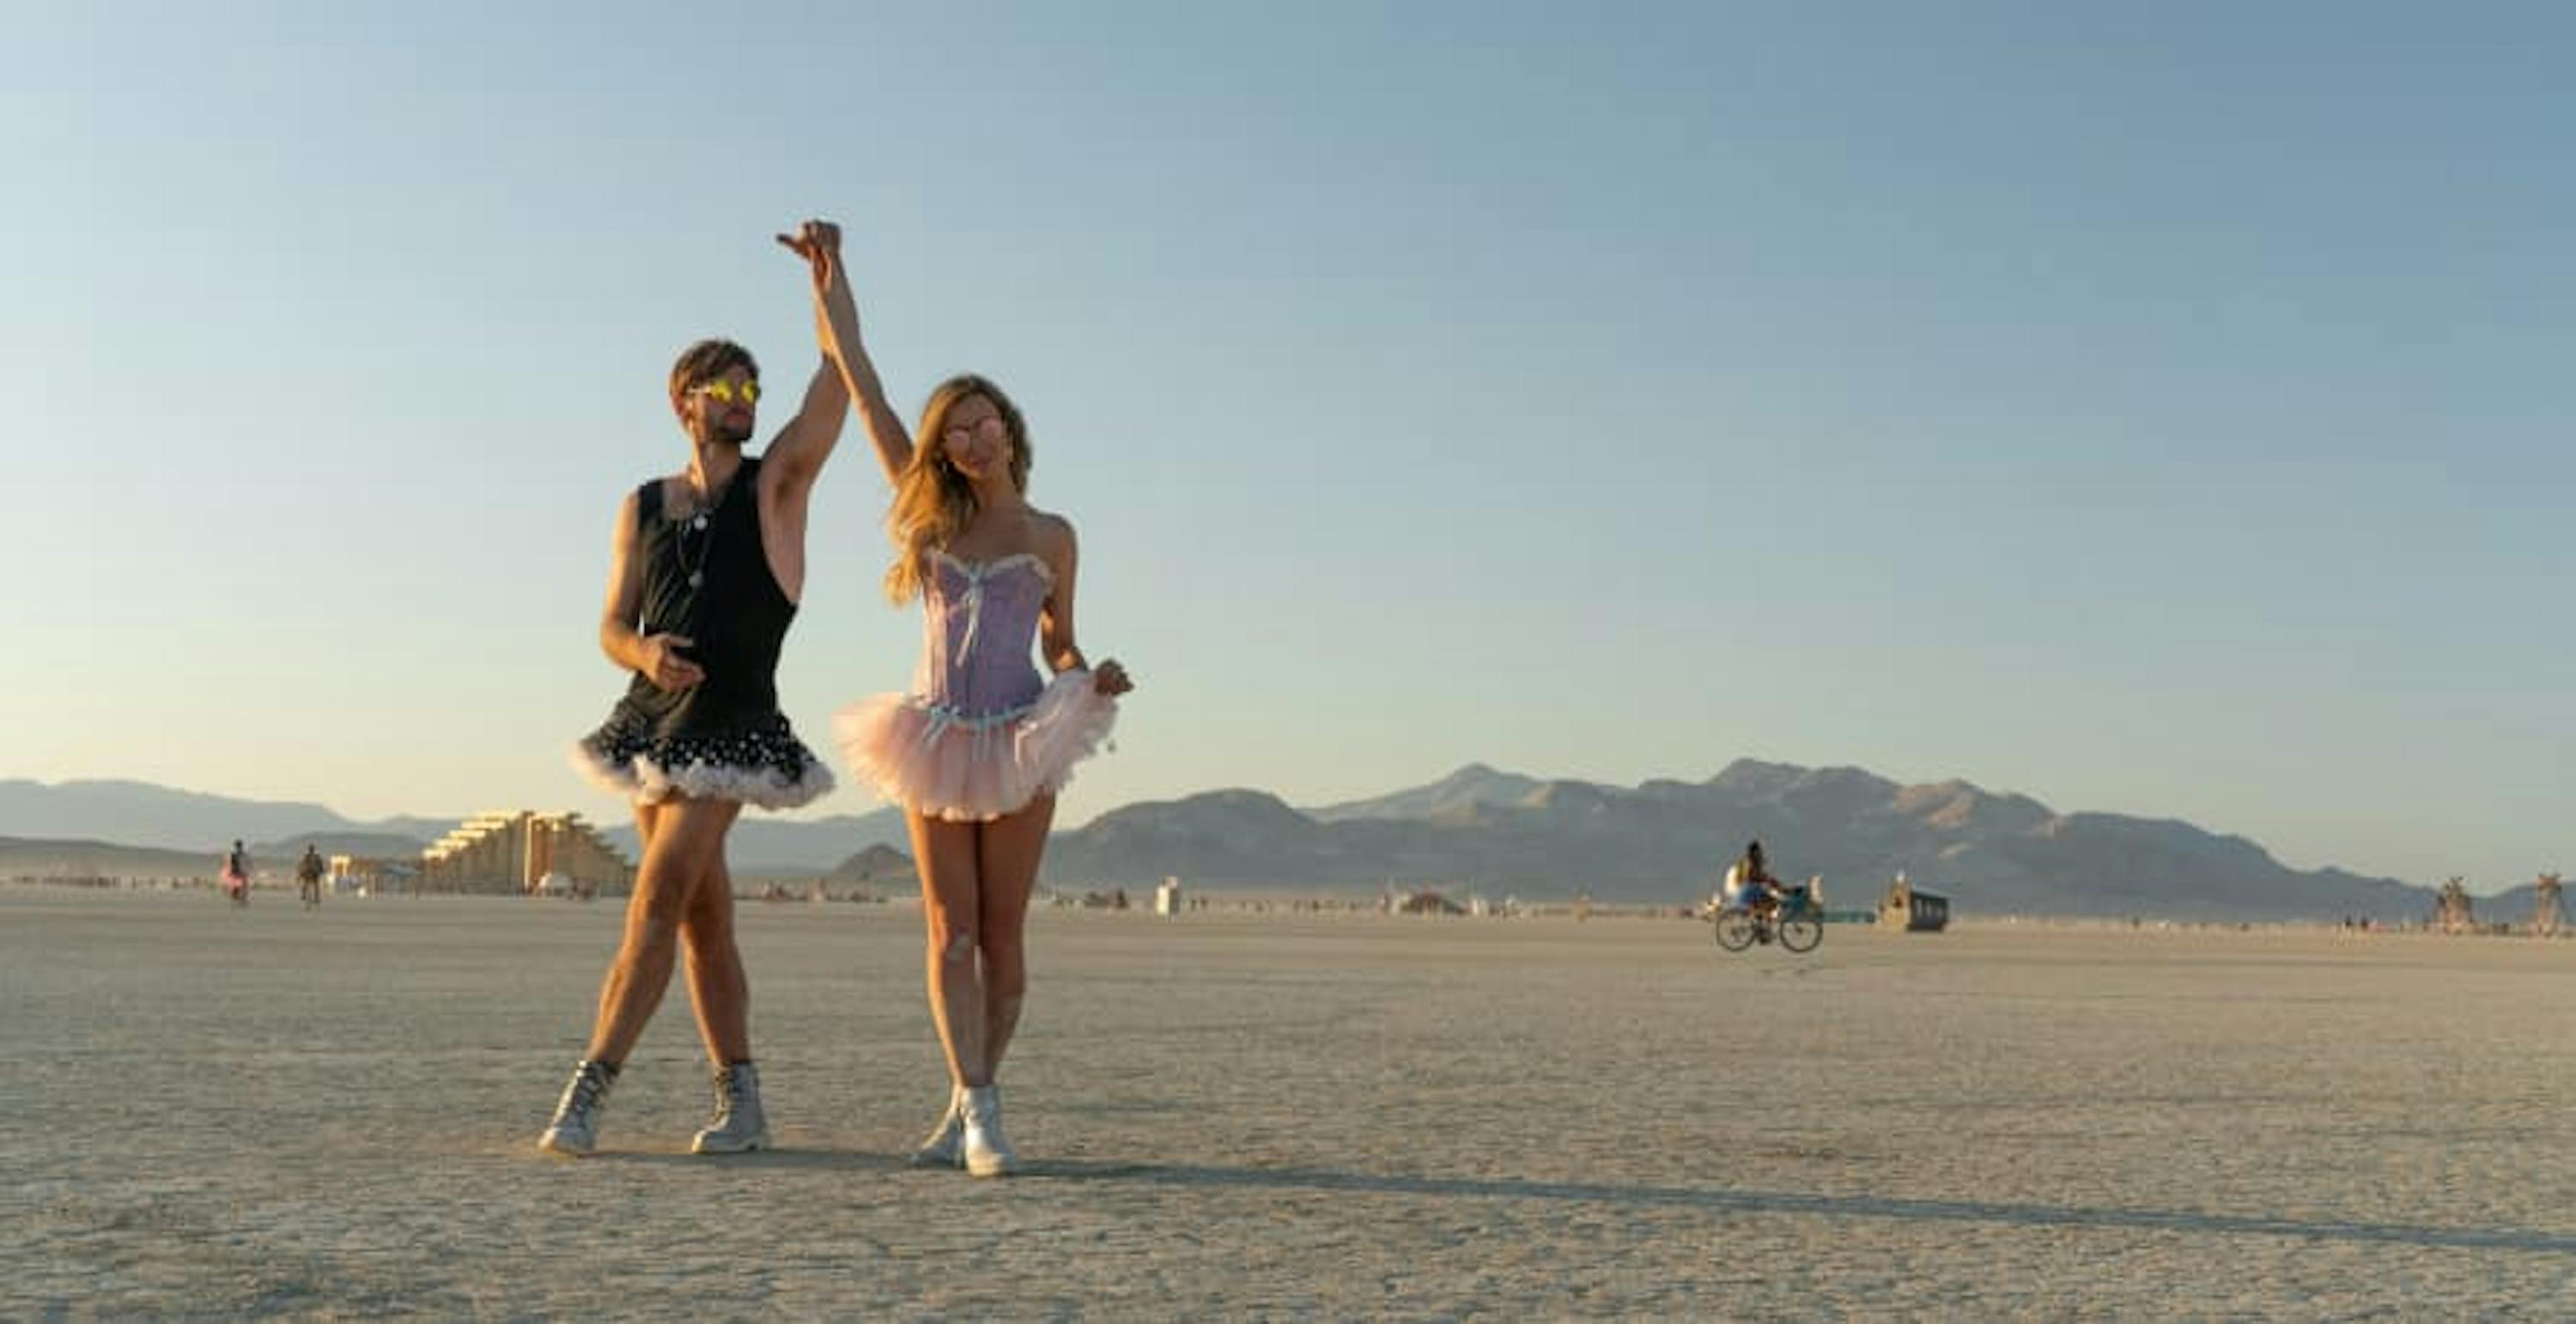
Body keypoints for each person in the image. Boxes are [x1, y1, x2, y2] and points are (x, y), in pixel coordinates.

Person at [538, 219, 854, 1158]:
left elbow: (835, 388)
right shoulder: (644, 505)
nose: (747, 397)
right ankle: (744, 1103)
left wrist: (830, 287)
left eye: (754, 385)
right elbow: (610, 626)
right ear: (684, 401)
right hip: (652, 724)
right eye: (729, 385)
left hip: (734, 724)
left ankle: (589, 1090)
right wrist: (643, 658)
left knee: (657, 898)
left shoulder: (776, 488)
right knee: (703, 921)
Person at [814, 248, 1133, 1177]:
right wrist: (829, 288)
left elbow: (1058, 643)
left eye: (984, 422)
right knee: (948, 934)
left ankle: (972, 1098)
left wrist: (1090, 674)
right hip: (935, 733)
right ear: (942, 448)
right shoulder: (931, 522)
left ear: (1010, 431)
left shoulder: (1050, 534)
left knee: (1002, 938)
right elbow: (867, 393)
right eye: (956, 431)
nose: (974, 440)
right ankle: (979, 1107)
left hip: (1022, 734)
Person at [1722, 840, 1780, 914]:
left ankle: (1762, 913)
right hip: (1748, 891)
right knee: (1769, 902)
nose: (1760, 853)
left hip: (1747, 891)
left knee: (1768, 900)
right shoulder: (1749, 865)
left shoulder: (1752, 864)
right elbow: (1754, 877)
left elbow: (1765, 878)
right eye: (1758, 851)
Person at [220, 840, 250, 908]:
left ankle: (240, 900)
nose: (239, 847)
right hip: (236, 871)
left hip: (239, 871)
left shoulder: (239, 854)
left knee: (241, 886)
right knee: (238, 886)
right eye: (239, 846)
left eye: (239, 846)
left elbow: (245, 862)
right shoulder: (234, 854)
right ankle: (238, 900)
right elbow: (230, 862)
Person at [296, 845, 326, 910]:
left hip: (309, 873)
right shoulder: (315, 856)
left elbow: (302, 864)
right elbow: (320, 865)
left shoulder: (307, 856)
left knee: (306, 884)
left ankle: (305, 895)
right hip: (313, 873)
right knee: (315, 885)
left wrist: (300, 872)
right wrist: (322, 871)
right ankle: (316, 897)